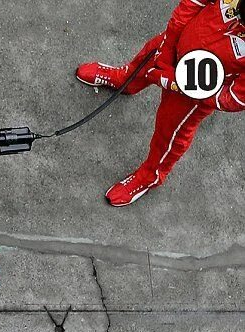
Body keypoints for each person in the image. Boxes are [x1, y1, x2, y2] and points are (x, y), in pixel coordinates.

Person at [75, 0, 245, 205]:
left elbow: (234, 97)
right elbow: (193, 2)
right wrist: (168, 46)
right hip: (176, 43)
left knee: (169, 133)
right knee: (145, 61)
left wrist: (182, 84)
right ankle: (125, 81)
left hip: (194, 94)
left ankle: (150, 175)